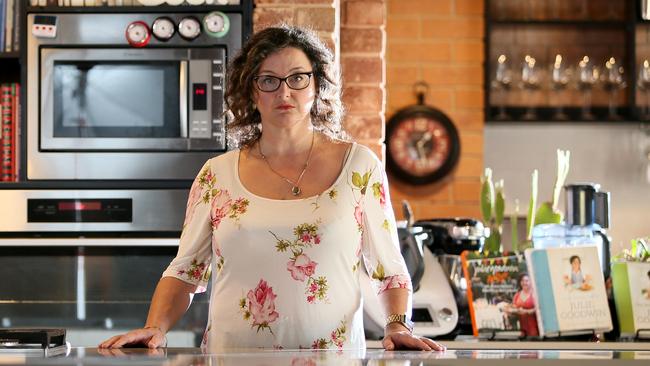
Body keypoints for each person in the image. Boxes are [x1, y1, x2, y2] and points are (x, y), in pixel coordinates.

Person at [99, 25, 445, 352]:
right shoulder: (216, 175)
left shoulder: (360, 167)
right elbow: (185, 270)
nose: (284, 92)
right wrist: (156, 327)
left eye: (297, 78)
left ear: (316, 85)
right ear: (251, 91)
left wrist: (398, 326)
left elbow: (390, 269)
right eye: (268, 80)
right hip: (233, 357)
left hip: (334, 358)